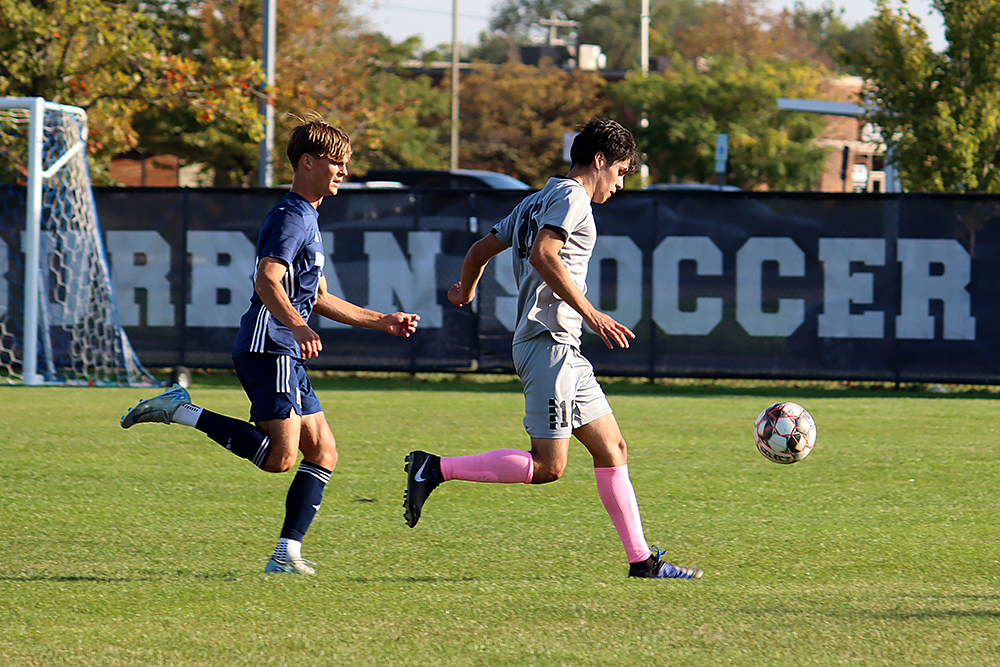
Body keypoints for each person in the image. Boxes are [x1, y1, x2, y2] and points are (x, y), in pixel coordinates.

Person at [121, 113, 420, 575]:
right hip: (270, 344)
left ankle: (286, 554)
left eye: (345, 164)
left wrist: (382, 321)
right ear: (307, 161)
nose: (344, 172)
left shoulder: (309, 218)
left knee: (323, 453)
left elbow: (316, 297)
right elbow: (266, 280)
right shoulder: (291, 216)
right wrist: (298, 327)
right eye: (337, 162)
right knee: (279, 459)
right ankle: (181, 409)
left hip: (284, 345)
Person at [403, 118, 702, 580]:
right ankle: (434, 468)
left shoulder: (536, 198)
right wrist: (592, 312)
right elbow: (545, 254)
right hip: (548, 342)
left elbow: (482, 247)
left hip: (562, 347)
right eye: (620, 172)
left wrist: (466, 288)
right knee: (548, 466)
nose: (620, 185)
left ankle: (642, 562)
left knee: (613, 449)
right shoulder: (572, 197)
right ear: (599, 161)